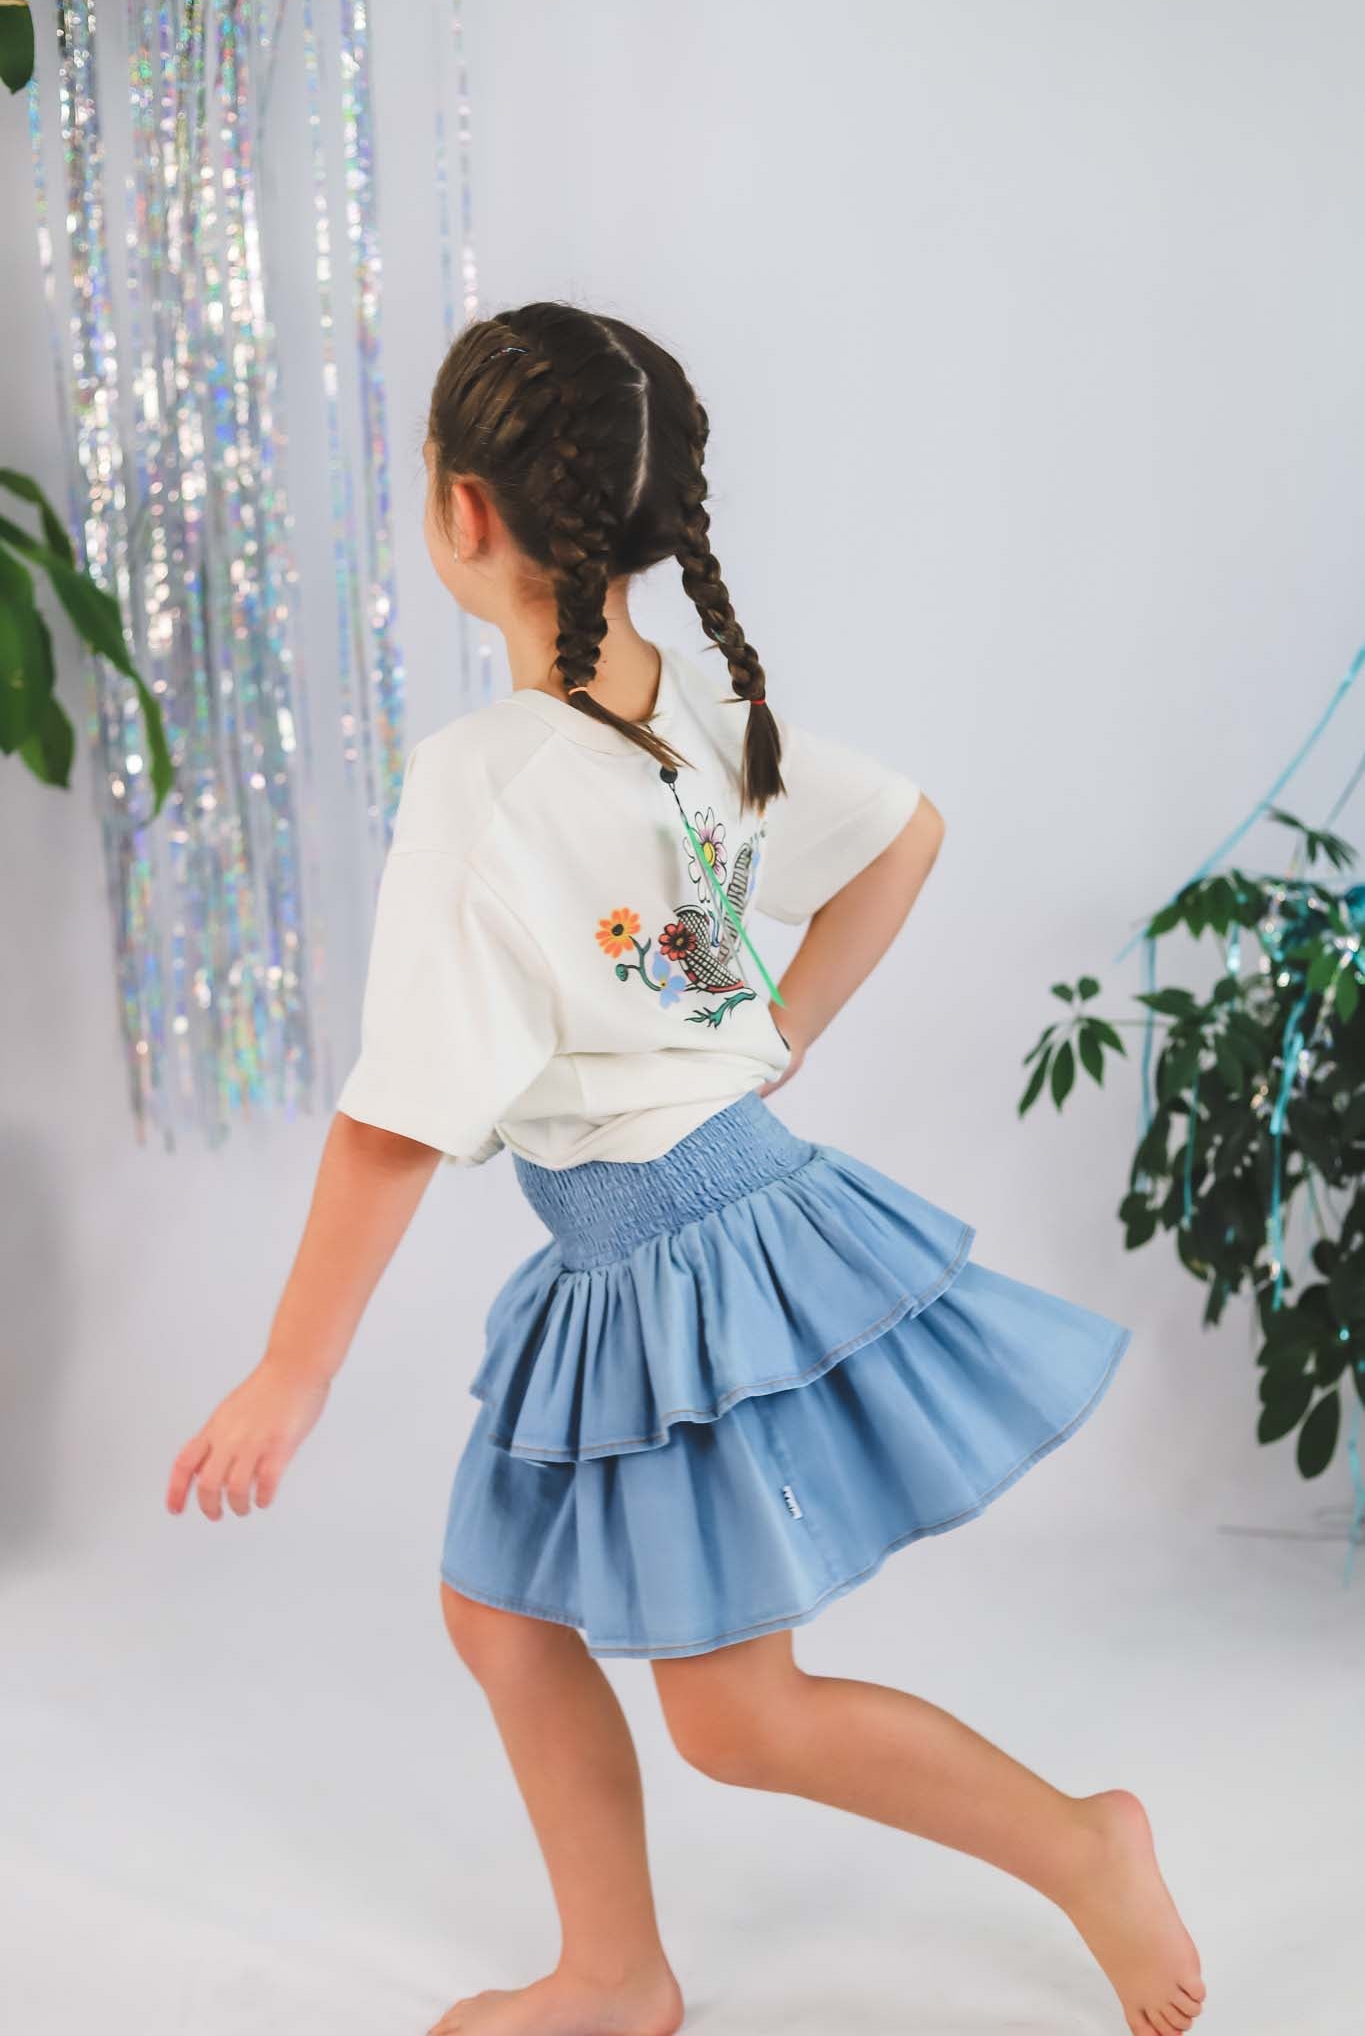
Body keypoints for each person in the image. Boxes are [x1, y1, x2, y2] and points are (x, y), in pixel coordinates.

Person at [166, 302, 1205, 2036]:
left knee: (735, 1715)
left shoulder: (483, 784)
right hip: (656, 1245)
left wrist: (293, 1368)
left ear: (463, 511)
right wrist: (773, 1030)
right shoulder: (696, 704)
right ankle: (616, 1972)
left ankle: (1080, 1843)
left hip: (684, 1256)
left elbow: (395, 1116)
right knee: (502, 1615)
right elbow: (905, 833)